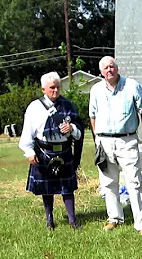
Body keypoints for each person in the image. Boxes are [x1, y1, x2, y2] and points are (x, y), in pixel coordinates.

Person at [89, 56, 142, 235]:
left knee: (134, 181)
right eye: (105, 68)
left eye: (112, 66)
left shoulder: (132, 86)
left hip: (127, 140)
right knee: (108, 183)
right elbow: (92, 116)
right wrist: (97, 139)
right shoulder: (96, 90)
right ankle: (114, 218)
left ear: (117, 68)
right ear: (101, 72)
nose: (109, 70)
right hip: (104, 142)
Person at [19, 72, 84, 230]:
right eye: (51, 88)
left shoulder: (68, 105)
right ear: (43, 89)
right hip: (44, 152)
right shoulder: (34, 107)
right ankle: (49, 221)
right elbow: (28, 131)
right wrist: (29, 152)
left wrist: (72, 128)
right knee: (46, 190)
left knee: (67, 189)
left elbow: (79, 132)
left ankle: (72, 221)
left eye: (58, 87)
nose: (55, 91)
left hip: (64, 151)